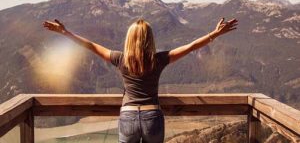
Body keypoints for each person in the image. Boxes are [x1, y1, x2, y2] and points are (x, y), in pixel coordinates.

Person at [43, 17, 238, 143]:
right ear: (150, 39)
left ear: (129, 39)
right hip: (152, 116)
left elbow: (91, 46)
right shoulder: (159, 59)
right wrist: (215, 34)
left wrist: (65, 33)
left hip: (128, 115)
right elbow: (191, 46)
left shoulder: (120, 59)